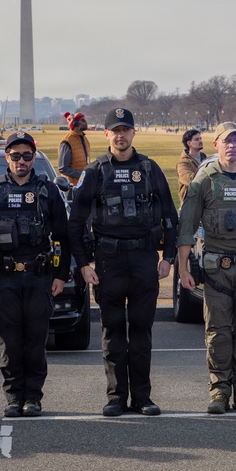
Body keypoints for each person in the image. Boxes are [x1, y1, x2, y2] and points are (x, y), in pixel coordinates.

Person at [67, 107, 178, 417]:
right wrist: (83, 264)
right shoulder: (94, 171)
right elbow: (75, 224)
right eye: (114, 130)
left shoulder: (150, 168)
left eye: (125, 129)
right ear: (106, 135)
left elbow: (170, 215)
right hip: (107, 261)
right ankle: (116, 397)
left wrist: (168, 257)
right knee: (113, 330)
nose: (120, 135)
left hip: (144, 259)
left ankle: (143, 397)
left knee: (141, 329)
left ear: (133, 132)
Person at [177, 122, 236, 414]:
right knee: (218, 331)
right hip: (216, 267)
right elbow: (187, 227)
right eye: (226, 141)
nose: (231, 145)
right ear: (216, 144)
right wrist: (183, 267)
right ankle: (219, 390)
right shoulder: (203, 180)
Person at [0, 132, 70, 417]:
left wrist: (61, 275)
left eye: (27, 156)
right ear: (7, 157)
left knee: (36, 339)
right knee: (10, 341)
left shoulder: (48, 191)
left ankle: (33, 397)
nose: (21, 161)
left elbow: (63, 236)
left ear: (34, 157)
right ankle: (14, 396)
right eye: (16, 156)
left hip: (39, 276)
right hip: (5, 278)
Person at [58, 111, 91, 186]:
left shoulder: (85, 139)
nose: (85, 122)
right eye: (82, 120)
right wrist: (82, 175)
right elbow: (63, 168)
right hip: (71, 186)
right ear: (75, 123)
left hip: (83, 183)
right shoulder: (67, 142)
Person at [175, 129, 206, 204]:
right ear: (189, 143)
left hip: (204, 203)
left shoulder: (205, 159)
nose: (200, 141)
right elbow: (189, 179)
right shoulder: (183, 163)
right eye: (196, 139)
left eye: (200, 138)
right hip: (190, 205)